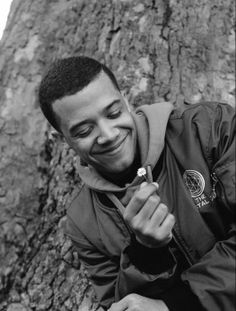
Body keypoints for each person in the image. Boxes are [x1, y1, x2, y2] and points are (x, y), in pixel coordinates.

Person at [38, 56, 235, 311]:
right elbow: (122, 303)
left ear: (125, 99)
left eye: (114, 113)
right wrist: (147, 254)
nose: (109, 135)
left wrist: (175, 305)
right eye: (84, 131)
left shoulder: (211, 127)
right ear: (63, 139)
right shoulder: (82, 221)